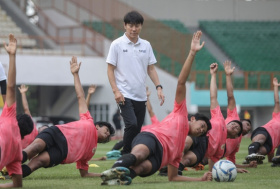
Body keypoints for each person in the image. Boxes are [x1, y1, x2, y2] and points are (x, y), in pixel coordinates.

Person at [100, 31, 212, 185]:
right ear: (193, 119)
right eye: (202, 126)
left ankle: (120, 179)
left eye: (203, 132)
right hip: (153, 138)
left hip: (160, 156)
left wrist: (200, 178)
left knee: (143, 167)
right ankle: (114, 169)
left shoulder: (180, 151)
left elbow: (173, 177)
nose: (201, 130)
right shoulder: (181, 113)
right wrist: (192, 53)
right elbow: (181, 82)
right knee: (140, 154)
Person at [20, 56, 115, 178]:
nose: (107, 135)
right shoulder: (88, 119)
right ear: (97, 126)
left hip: (62, 152)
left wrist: (104, 174)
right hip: (57, 133)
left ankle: (11, 174)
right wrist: (76, 74)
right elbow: (80, 96)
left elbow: (84, 174)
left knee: (38, 162)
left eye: (108, 137)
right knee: (35, 147)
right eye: (106, 130)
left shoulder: (91, 152)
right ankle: (6, 163)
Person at [106, 10, 165, 155]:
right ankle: (125, 156)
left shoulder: (146, 45)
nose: (134, 29)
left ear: (141, 26)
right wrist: (116, 91)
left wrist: (158, 87)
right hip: (124, 94)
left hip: (141, 95)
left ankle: (132, 157)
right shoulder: (117, 44)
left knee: (137, 129)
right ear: (125, 25)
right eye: (130, 25)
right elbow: (110, 69)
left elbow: (151, 69)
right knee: (131, 124)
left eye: (137, 25)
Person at [0, 34, 34, 188]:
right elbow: (17, 184)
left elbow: (11, 85)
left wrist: (12, 56)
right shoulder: (18, 152)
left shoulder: (9, 117)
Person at [245, 77, 280, 164]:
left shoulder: (278, 140)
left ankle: (253, 159)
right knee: (260, 141)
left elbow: (271, 157)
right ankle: (251, 155)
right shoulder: (277, 117)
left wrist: (275, 161)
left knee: (260, 153)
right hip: (265, 131)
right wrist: (276, 87)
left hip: (270, 144)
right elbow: (277, 101)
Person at [18, 84, 39, 149]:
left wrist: (23, 93)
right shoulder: (33, 131)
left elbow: (26, 109)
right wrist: (23, 93)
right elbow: (26, 109)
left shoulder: (15, 136)